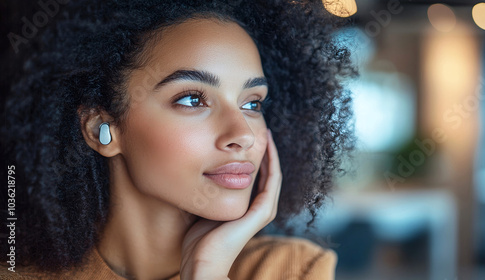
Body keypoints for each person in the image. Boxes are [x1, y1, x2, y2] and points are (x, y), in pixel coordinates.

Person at [0, 0, 355, 279]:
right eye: (192, 99)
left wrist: (207, 274)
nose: (243, 135)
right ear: (101, 130)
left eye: (252, 103)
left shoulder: (290, 271)